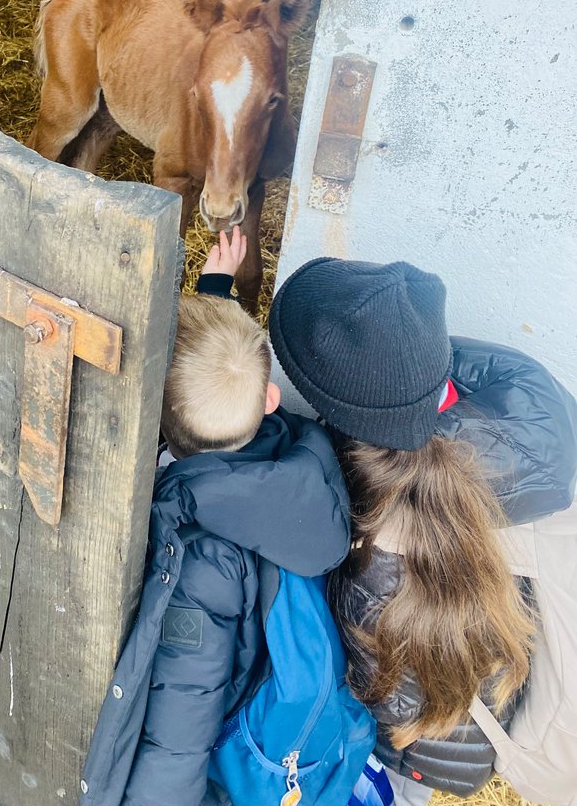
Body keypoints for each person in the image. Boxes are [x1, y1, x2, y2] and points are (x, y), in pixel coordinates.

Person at [259, 256, 577, 805]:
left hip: (543, 750)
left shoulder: (380, 559)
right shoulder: (534, 403)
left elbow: (425, 735)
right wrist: (398, 358)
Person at [79, 234, 352, 806]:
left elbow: (175, 738)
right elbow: (219, 380)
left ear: (149, 406)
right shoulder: (294, 459)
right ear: (271, 399)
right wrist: (214, 293)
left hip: (223, 733)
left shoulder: (202, 562)